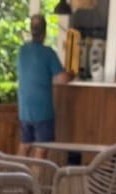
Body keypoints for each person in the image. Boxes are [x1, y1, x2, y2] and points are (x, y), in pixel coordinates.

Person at [16, 14, 74, 159]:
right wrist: (72, 74)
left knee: (25, 145)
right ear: (45, 32)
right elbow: (62, 79)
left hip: (24, 109)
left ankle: (15, 180)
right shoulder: (48, 53)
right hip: (42, 110)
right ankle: (34, 182)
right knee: (42, 149)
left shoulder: (22, 51)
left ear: (31, 31)